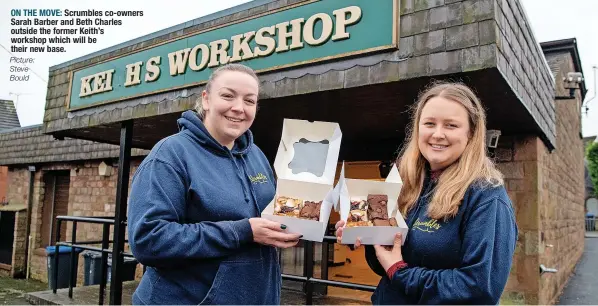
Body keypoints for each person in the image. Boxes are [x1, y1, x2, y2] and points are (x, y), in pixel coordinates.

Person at [128, 64, 301, 305]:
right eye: (228, 96)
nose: (239, 108)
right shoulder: (171, 155)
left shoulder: (257, 156)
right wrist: (242, 232)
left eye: (249, 101)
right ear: (206, 100)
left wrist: (292, 227)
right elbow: (148, 239)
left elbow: (267, 220)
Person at [335, 82, 518, 304]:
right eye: (429, 123)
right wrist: (366, 236)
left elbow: (480, 287)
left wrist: (400, 271)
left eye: (451, 125)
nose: (438, 134)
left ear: (471, 134)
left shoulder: (486, 196)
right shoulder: (408, 183)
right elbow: (385, 267)